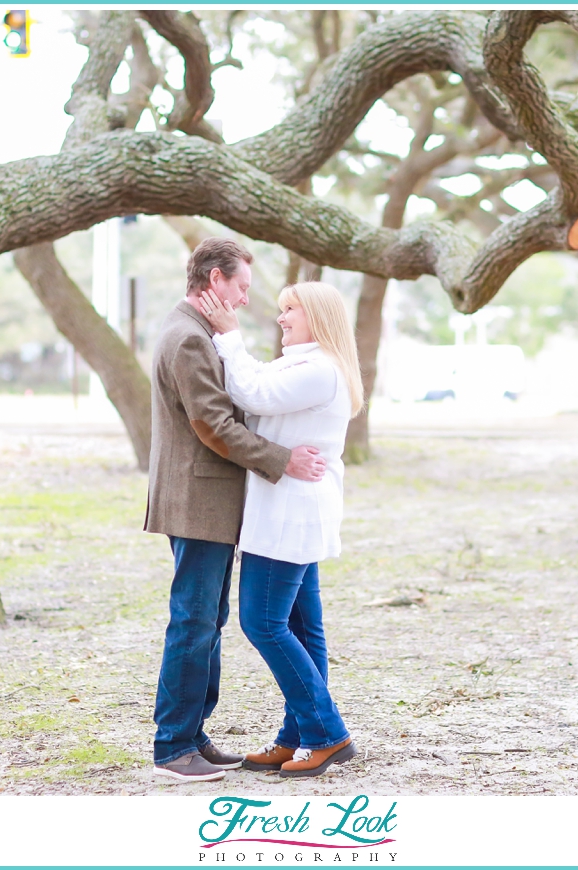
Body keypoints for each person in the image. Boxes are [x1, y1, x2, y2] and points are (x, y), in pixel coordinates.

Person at [144, 238, 327, 783]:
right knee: (193, 622)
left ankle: (194, 734)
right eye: (242, 286)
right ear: (214, 282)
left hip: (210, 502)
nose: (247, 298)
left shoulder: (200, 334)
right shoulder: (188, 339)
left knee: (208, 621)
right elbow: (213, 427)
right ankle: (173, 746)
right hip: (197, 502)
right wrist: (282, 460)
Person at [198, 280, 363, 778]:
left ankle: (326, 734)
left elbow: (254, 392)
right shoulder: (302, 362)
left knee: (262, 621)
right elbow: (251, 391)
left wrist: (229, 335)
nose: (281, 317)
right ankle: (297, 736)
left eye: (290, 310)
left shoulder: (320, 369)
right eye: (281, 309)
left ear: (318, 316)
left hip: (291, 513)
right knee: (298, 627)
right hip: (287, 508)